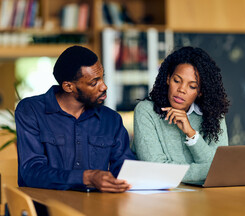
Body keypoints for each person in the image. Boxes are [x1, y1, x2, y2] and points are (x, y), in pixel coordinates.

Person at [16, 45, 135, 192]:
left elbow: (126, 170)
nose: (103, 86)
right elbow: (31, 172)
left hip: (95, 208)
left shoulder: (111, 120)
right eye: (94, 83)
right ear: (68, 86)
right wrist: (86, 177)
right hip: (46, 208)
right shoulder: (31, 111)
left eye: (102, 78)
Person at [132, 46, 230, 183]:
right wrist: (207, 171)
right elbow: (155, 169)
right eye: (177, 81)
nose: (181, 90)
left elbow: (219, 167)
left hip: (204, 198)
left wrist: (191, 134)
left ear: (200, 91)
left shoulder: (214, 113)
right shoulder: (146, 111)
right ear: (168, 78)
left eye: (192, 86)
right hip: (160, 197)